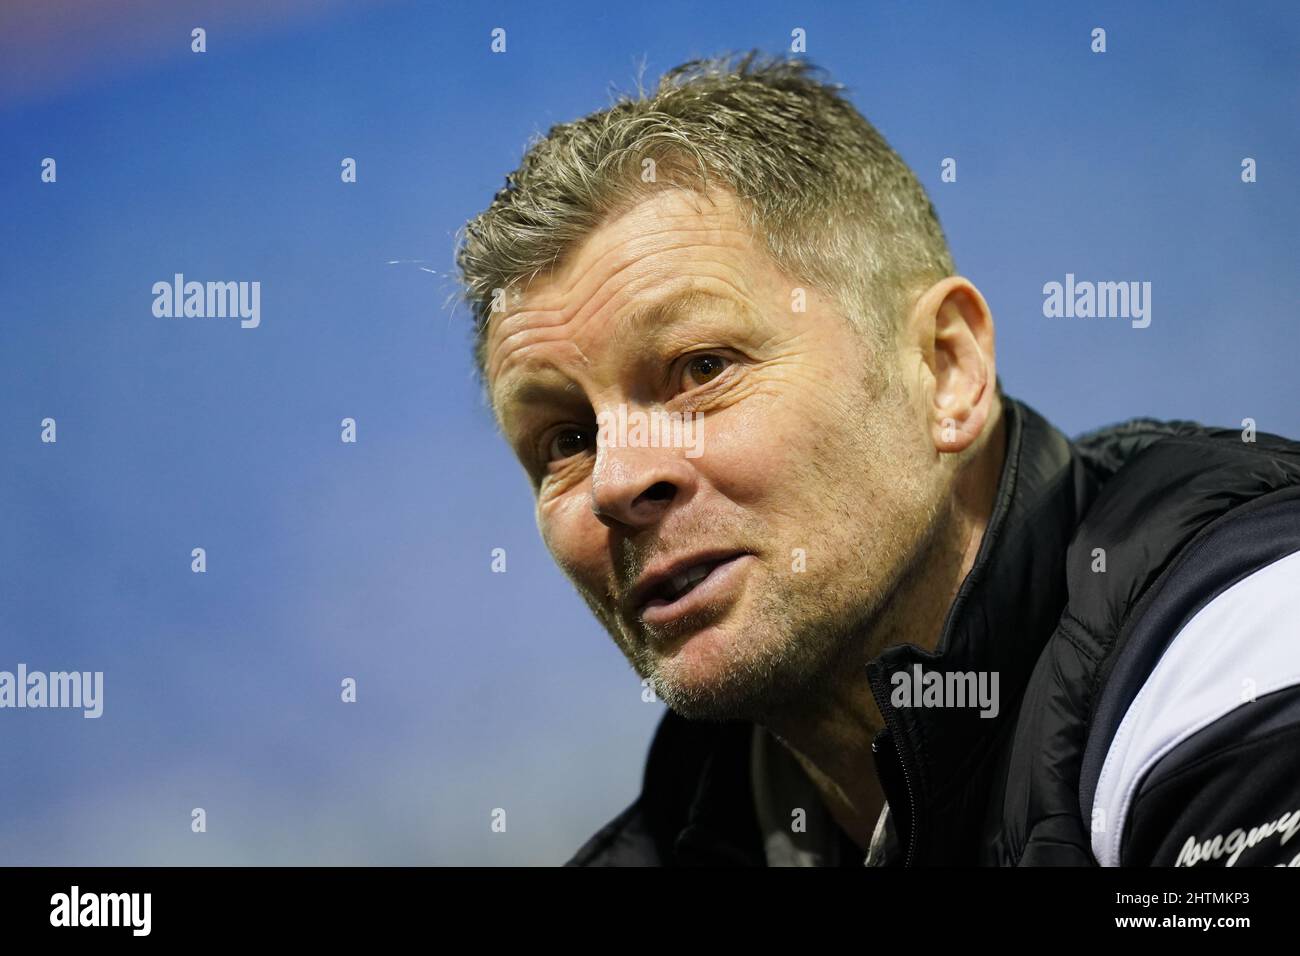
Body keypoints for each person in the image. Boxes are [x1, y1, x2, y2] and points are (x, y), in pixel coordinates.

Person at [455, 52, 1300, 866]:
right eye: (567, 440)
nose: (617, 481)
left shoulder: (1245, 633)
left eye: (701, 369)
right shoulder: (672, 836)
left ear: (945, 369)